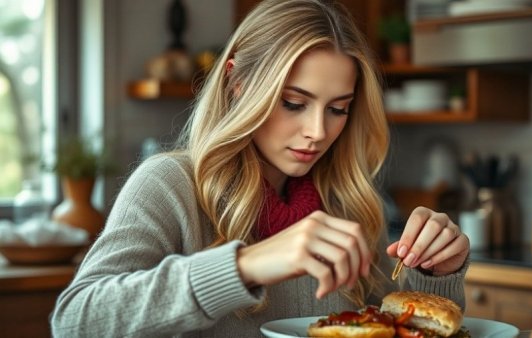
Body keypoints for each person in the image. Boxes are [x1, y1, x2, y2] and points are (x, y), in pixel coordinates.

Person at [51, 0, 470, 336]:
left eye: (338, 109)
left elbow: (395, 328)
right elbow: (75, 321)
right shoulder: (169, 186)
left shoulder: (353, 206)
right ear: (237, 85)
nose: (317, 132)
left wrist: (433, 276)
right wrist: (245, 266)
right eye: (293, 103)